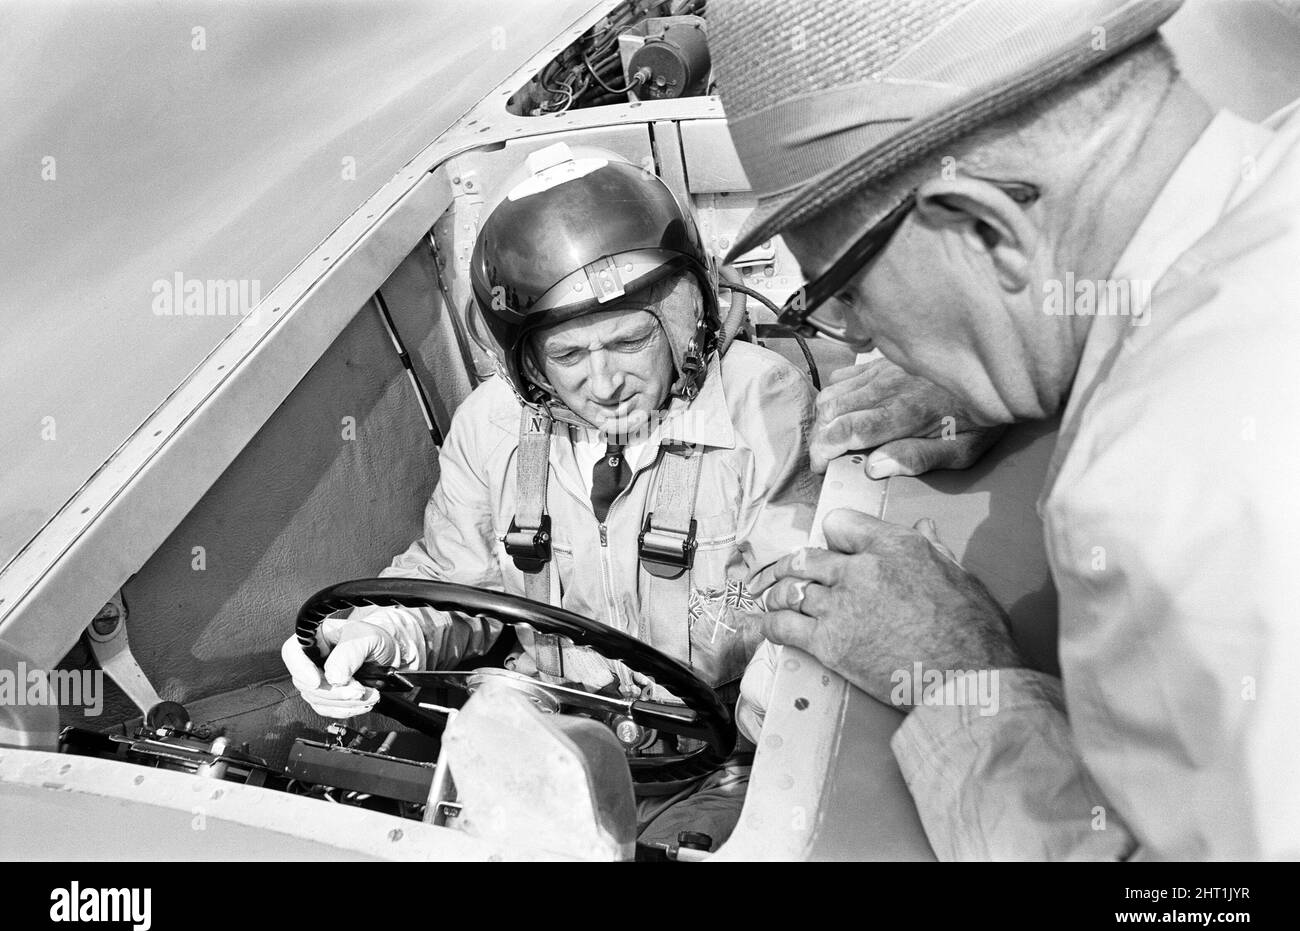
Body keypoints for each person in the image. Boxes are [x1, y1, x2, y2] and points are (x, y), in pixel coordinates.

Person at [712, 0, 1300, 859]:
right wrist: (1026, 363)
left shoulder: (1168, 502)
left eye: (845, 288)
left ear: (987, 228)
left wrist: (961, 681)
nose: (861, 337)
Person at [281, 142, 820, 849]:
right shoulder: (493, 427)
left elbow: (804, 608)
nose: (604, 383)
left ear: (685, 322)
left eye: (630, 341)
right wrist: (374, 632)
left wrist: (767, 726)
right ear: (527, 362)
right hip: (547, 744)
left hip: (722, 769)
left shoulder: (762, 405)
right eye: (569, 356)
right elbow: (447, 580)